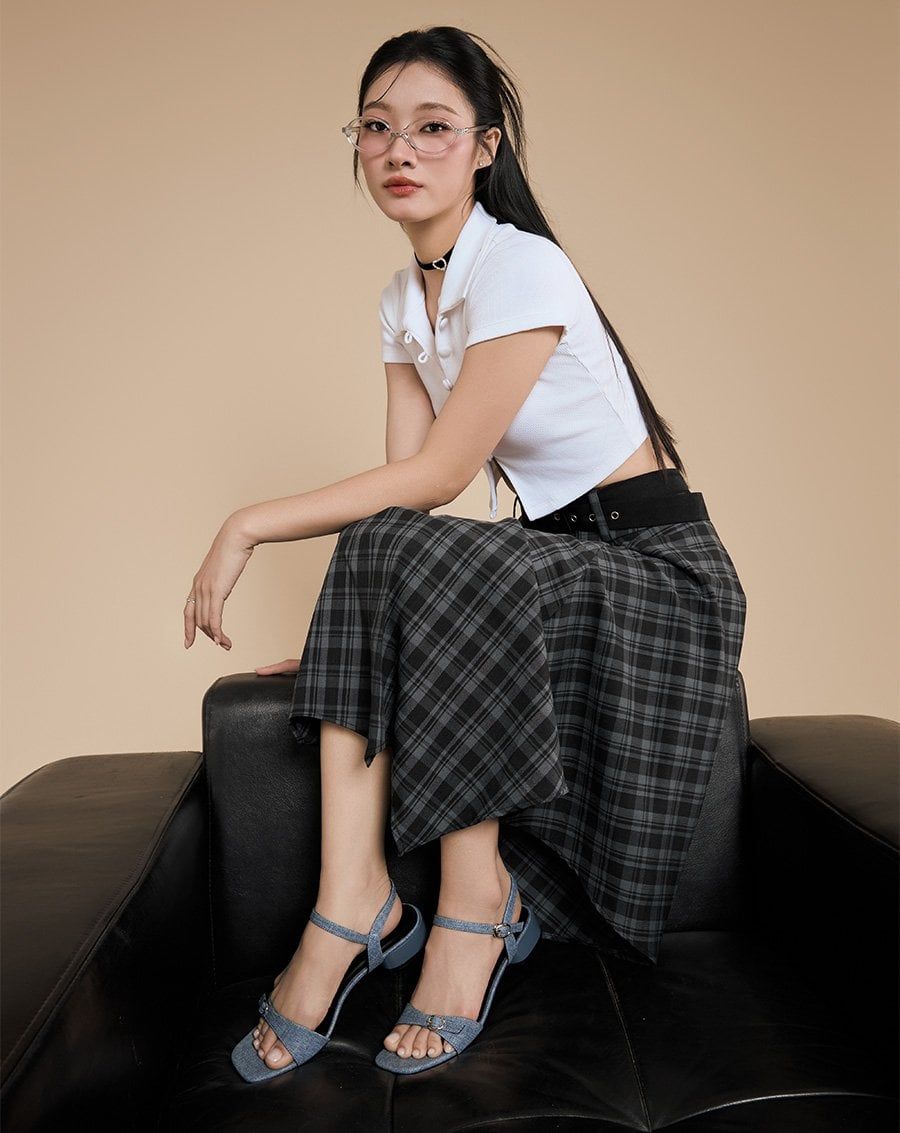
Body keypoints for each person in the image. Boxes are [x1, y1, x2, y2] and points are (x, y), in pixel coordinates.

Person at [184, 27, 747, 1080]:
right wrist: (353, 636)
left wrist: (247, 521)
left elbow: (441, 475)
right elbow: (403, 506)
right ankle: (352, 902)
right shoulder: (402, 302)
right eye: (376, 128)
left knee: (431, 546)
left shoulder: (523, 265)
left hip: (657, 577)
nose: (399, 149)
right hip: (550, 569)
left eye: (433, 127)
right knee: (388, 542)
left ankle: (475, 908)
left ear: (485, 147)